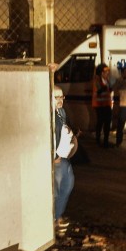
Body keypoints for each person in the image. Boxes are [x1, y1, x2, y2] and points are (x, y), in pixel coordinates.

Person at [52, 85, 77, 230]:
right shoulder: (47, 114)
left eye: (61, 97)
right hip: (55, 158)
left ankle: (58, 216)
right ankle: (55, 218)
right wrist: (54, 156)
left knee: (68, 184)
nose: (60, 100)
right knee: (56, 189)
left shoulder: (61, 112)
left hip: (63, 155)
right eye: (56, 97)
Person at [92, 63, 113, 147]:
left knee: (107, 123)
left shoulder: (107, 80)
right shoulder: (96, 80)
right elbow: (99, 91)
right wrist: (106, 88)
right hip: (99, 105)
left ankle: (105, 141)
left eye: (108, 71)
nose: (107, 73)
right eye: (105, 71)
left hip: (107, 105)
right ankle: (98, 139)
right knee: (100, 122)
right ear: (101, 72)